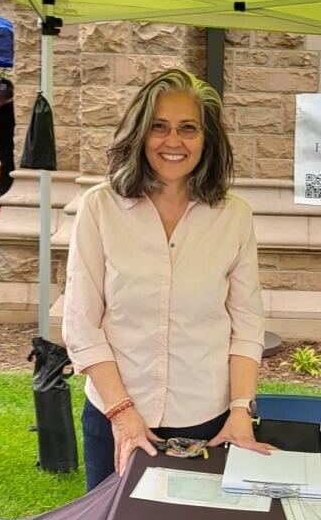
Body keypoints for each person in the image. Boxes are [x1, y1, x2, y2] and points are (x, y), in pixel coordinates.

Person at [62, 69, 272, 491]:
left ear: (207, 139)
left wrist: (239, 410)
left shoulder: (234, 217)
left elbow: (247, 323)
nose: (172, 141)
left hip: (209, 422)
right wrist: (122, 414)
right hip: (116, 415)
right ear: (140, 134)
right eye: (159, 127)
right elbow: (82, 324)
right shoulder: (99, 208)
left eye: (187, 128)